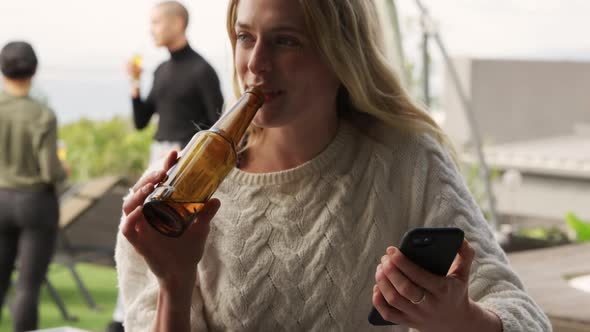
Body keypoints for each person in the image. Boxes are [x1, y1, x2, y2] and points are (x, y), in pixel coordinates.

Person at [115, 0, 552, 331]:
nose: (255, 63)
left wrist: (464, 320)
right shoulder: (186, 183)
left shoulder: (405, 159)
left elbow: (526, 317)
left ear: (341, 55)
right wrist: (174, 280)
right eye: (245, 36)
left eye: (286, 40)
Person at [0, 41, 67, 332]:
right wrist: (64, 170)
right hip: (35, 204)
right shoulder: (43, 115)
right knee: (27, 287)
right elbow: (50, 171)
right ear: (34, 70)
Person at [128, 0, 224, 164]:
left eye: (156, 22)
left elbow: (218, 126)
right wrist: (135, 82)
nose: (151, 30)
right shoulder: (160, 70)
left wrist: (185, 149)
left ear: (178, 23)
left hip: (189, 158)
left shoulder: (202, 70)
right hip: (158, 156)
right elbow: (140, 122)